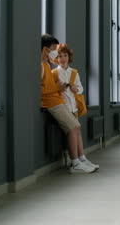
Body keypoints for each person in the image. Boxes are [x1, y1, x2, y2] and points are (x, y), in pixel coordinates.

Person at [41, 34, 97, 173]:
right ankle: (76, 163)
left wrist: (73, 89)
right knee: (74, 129)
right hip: (57, 104)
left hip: (66, 104)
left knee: (77, 128)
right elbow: (43, 89)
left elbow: (78, 88)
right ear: (46, 49)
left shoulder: (49, 66)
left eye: (63, 55)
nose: (59, 56)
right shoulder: (47, 68)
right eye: (56, 52)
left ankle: (81, 159)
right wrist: (58, 88)